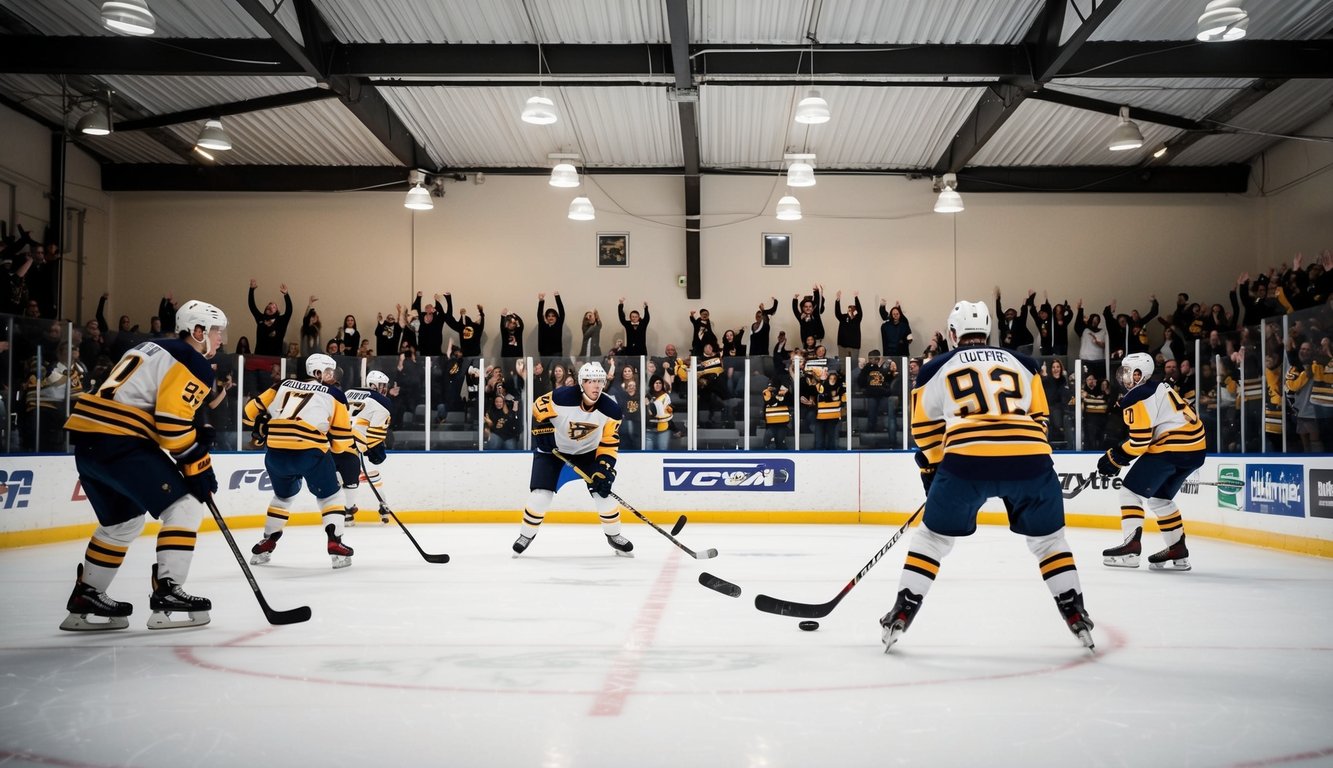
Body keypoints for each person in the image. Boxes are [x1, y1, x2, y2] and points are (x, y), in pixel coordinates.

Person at [881, 300, 1093, 652]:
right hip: (1030, 459)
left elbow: (924, 430)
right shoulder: (1025, 364)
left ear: (952, 334)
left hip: (968, 460)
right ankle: (1074, 610)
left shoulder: (935, 366)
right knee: (1049, 541)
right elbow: (1040, 418)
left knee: (932, 540)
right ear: (988, 331)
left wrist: (935, 466)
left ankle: (902, 611)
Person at [59, 300, 227, 631]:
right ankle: (169, 591)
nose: (221, 339)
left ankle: (87, 594)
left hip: (91, 445)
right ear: (198, 331)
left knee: (122, 523)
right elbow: (169, 424)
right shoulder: (191, 359)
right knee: (186, 507)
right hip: (121, 443)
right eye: (217, 331)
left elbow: (152, 406)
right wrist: (198, 463)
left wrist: (195, 436)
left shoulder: (148, 347)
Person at [244, 353, 356, 569]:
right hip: (310, 453)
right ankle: (335, 542)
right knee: (331, 496)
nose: (332, 377)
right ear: (316, 373)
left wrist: (265, 421)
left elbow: (248, 414)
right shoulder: (335, 394)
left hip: (275, 453)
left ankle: (268, 541)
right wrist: (339, 446)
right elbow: (341, 441)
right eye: (328, 372)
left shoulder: (282, 384)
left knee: (282, 498)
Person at [1097, 352, 1206, 572]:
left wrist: (1115, 457)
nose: (1124, 377)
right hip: (1195, 449)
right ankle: (1177, 550)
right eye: (1123, 372)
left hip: (1172, 447)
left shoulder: (1138, 396)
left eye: (1129, 373)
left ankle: (1130, 549)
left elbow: (1140, 442)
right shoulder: (1157, 387)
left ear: (1140, 374)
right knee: (1160, 499)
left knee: (1129, 493)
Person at [512, 362, 633, 557]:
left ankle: (614, 535)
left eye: (600, 382)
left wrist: (604, 468)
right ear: (581, 382)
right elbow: (537, 408)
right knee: (540, 496)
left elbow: (609, 441)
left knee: (604, 495)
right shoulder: (561, 397)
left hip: (588, 453)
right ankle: (526, 535)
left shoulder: (612, 410)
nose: (596, 386)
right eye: (590, 381)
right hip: (552, 452)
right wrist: (544, 433)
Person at [339, 370, 394, 526]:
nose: (384, 390)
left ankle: (348, 512)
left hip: (336, 440)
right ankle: (382, 505)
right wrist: (376, 453)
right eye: (381, 386)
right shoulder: (382, 402)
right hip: (358, 443)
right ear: (372, 385)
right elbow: (376, 435)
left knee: (342, 478)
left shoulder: (349, 392)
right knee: (366, 474)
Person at [247, 279, 292, 356]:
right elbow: (252, 306)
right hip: (259, 356)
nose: (270, 306)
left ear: (277, 312)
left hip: (275, 358)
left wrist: (286, 295)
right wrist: (251, 289)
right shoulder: (261, 318)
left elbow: (289, 311)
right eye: (269, 305)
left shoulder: (281, 320)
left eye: (274, 307)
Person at [834, 291, 863, 358]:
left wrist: (856, 298)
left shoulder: (857, 319)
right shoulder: (843, 317)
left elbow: (860, 311)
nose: (850, 311)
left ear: (855, 311)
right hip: (842, 345)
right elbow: (837, 312)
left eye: (852, 309)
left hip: (854, 346)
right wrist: (837, 300)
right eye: (849, 309)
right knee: (843, 365)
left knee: (853, 365)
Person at [647, 376, 673, 450]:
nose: (658, 385)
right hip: (649, 430)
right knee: (648, 454)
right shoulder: (647, 396)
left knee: (663, 450)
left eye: (660, 383)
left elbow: (669, 415)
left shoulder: (666, 397)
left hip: (663, 430)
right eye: (656, 383)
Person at [537, 292, 565, 358]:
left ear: (556, 317)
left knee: (555, 368)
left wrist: (557, 297)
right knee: (546, 368)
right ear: (546, 318)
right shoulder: (543, 326)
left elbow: (562, 312)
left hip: (556, 353)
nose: (551, 317)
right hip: (544, 353)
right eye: (549, 316)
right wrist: (541, 301)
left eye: (553, 316)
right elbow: (539, 315)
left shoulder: (558, 324)